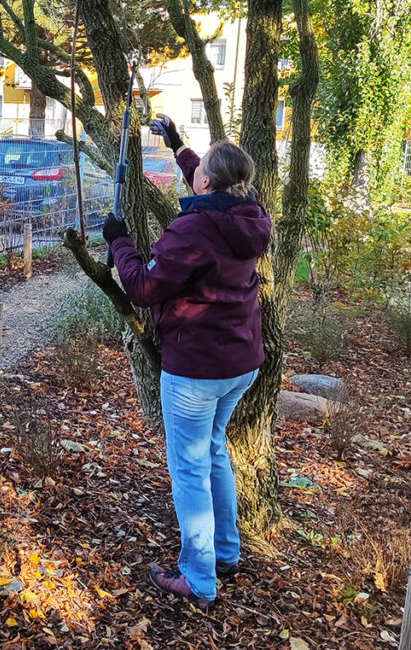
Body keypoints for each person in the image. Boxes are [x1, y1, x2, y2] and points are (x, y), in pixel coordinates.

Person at [102, 114, 271, 610]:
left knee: (190, 470)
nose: (193, 175)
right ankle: (225, 553)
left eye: (198, 171)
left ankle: (199, 579)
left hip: (198, 368)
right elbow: (210, 176)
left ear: (208, 183)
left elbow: (143, 287)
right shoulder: (248, 214)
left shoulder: (194, 229)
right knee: (213, 451)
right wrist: (177, 145)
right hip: (241, 361)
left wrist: (120, 241)